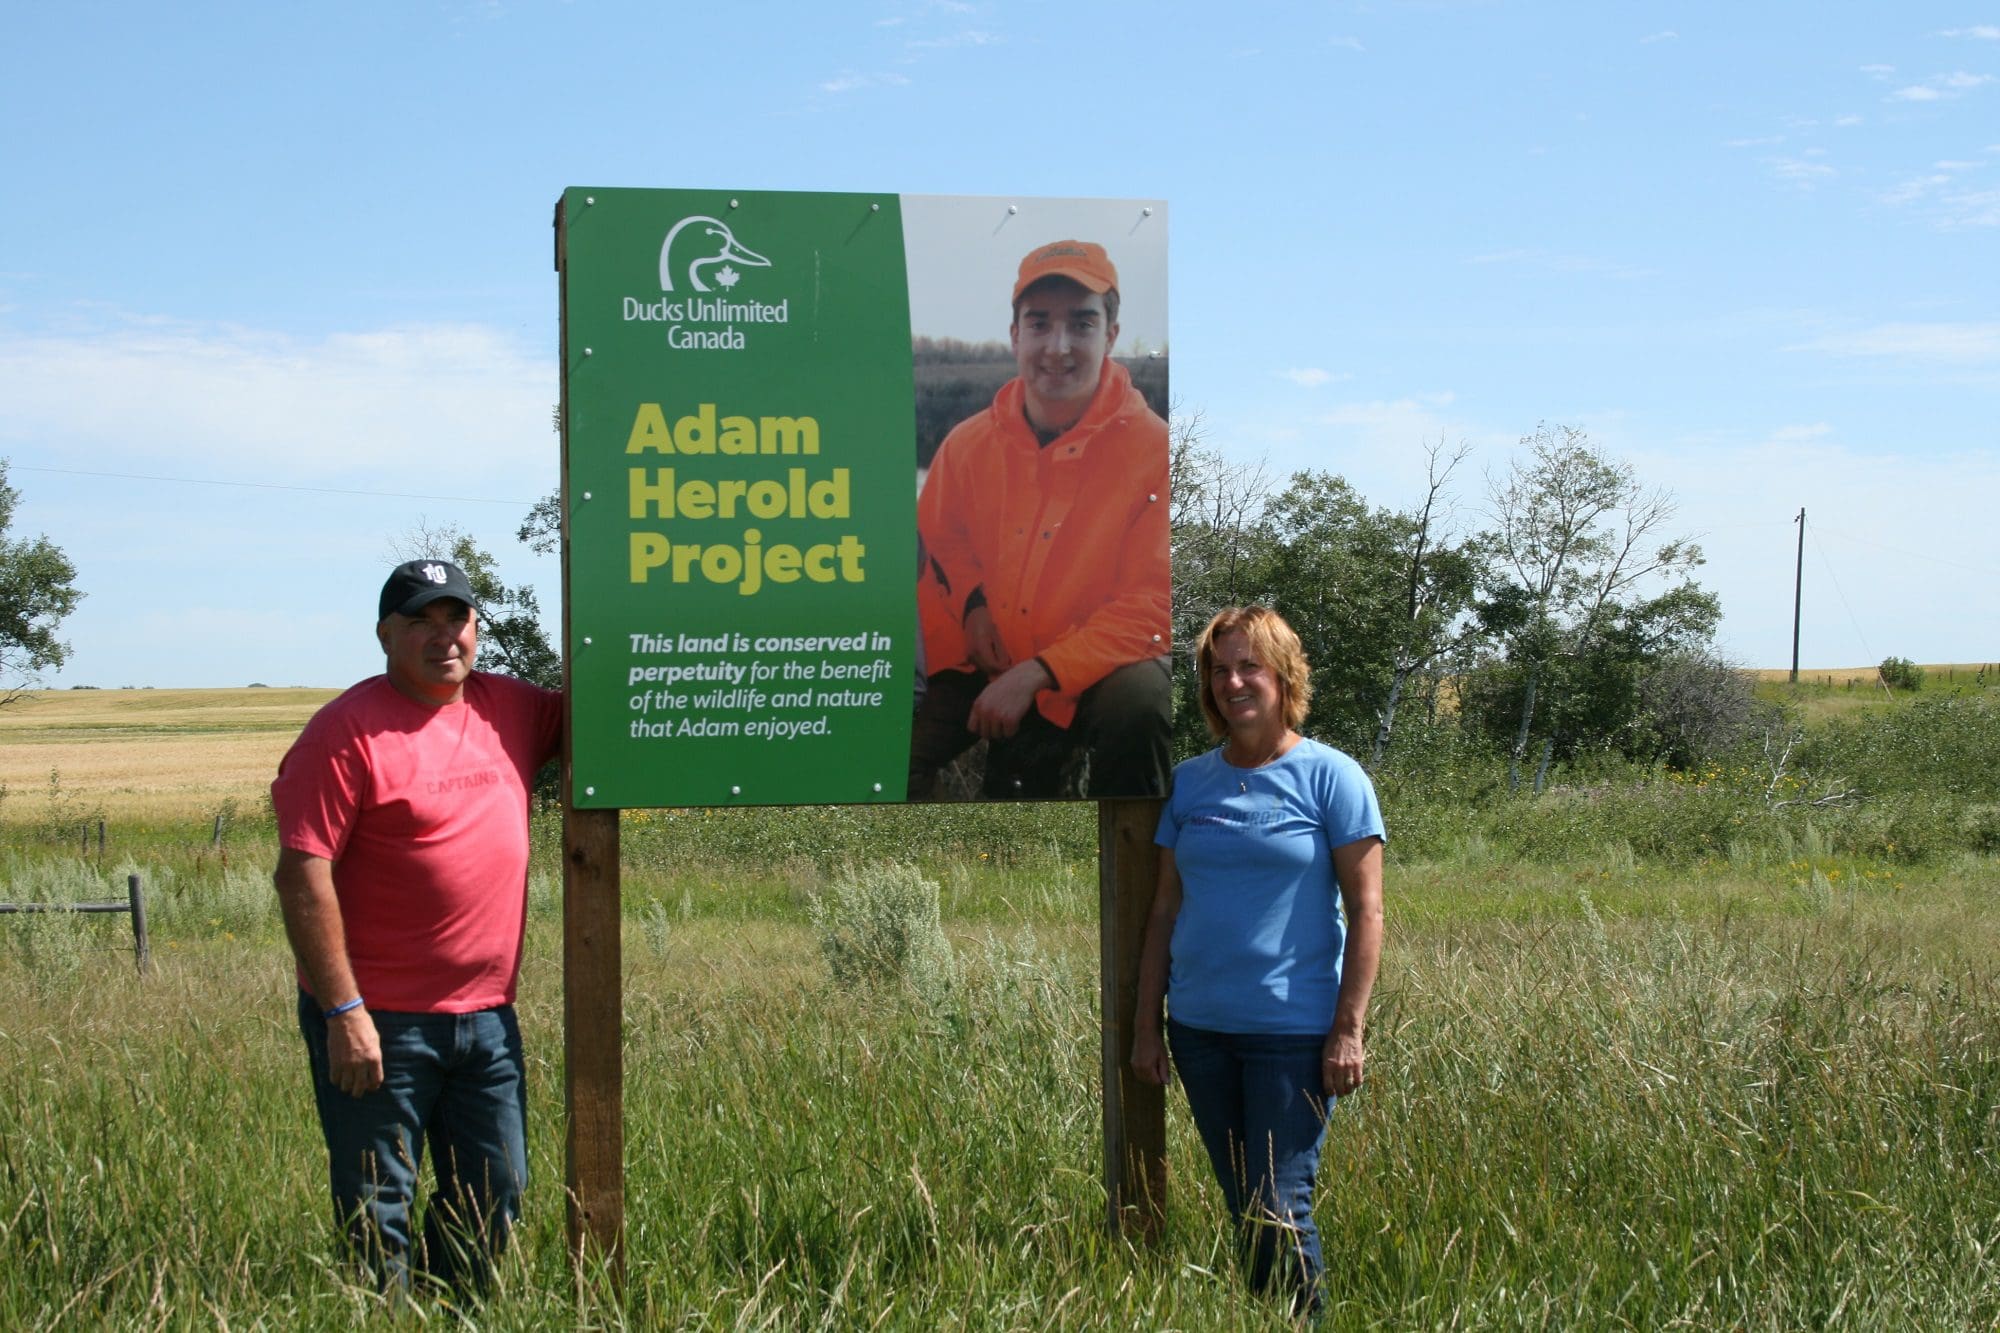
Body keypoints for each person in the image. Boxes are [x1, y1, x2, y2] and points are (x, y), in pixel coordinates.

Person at [271, 559, 561, 1292]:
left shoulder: (511, 707)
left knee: (495, 1194)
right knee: (377, 1208)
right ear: (384, 635)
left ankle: (449, 1307)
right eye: (419, 623)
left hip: (488, 1017)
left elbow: (620, 705)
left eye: (456, 619)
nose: (443, 638)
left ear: (476, 627)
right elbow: (302, 874)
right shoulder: (344, 732)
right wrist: (343, 1012)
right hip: (380, 1021)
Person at [1130, 606, 1386, 1319]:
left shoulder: (1332, 777)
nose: (1233, 681)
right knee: (1246, 1202)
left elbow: (1368, 912)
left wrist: (1348, 1029)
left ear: (1283, 676)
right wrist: (1147, 1026)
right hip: (1201, 1030)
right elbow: (1162, 912)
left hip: (1293, 1033)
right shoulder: (1190, 783)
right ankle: (1268, 1316)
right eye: (1220, 669)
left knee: (1278, 1203)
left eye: (1250, 666)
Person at [910, 238, 1171, 800]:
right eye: (1039, 324)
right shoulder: (966, 444)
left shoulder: (1158, 452)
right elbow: (939, 542)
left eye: (1081, 324)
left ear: (1111, 336)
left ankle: (1138, 853)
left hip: (1088, 668)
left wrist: (1040, 673)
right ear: (1014, 336)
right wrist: (973, 604)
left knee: (1144, 700)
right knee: (883, 744)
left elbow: (1154, 602)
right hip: (979, 660)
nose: (1058, 347)